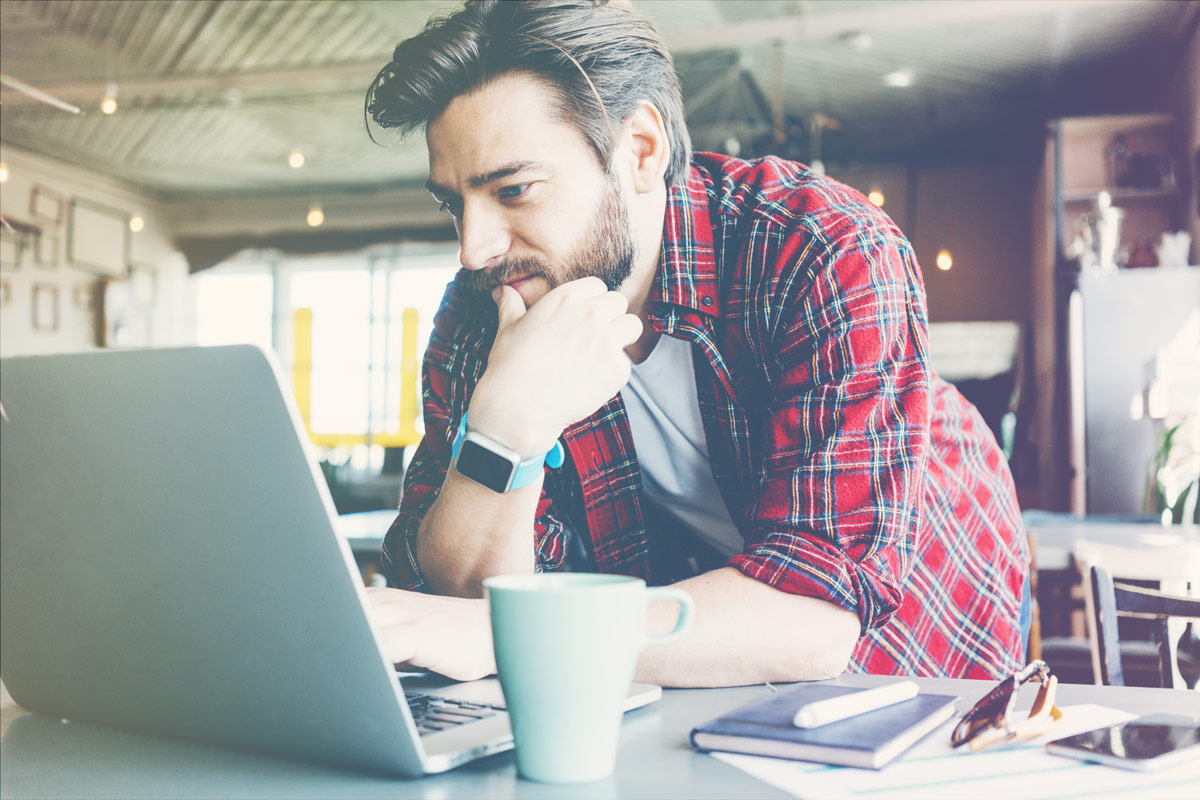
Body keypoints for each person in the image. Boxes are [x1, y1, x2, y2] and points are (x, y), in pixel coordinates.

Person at [362, 0, 1029, 687]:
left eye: (514, 189)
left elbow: (814, 615)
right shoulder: (482, 308)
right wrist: (503, 434)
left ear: (641, 152)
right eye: (454, 204)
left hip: (930, 619)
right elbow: (455, 609)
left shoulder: (820, 247)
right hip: (701, 647)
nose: (474, 249)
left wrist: (519, 635)